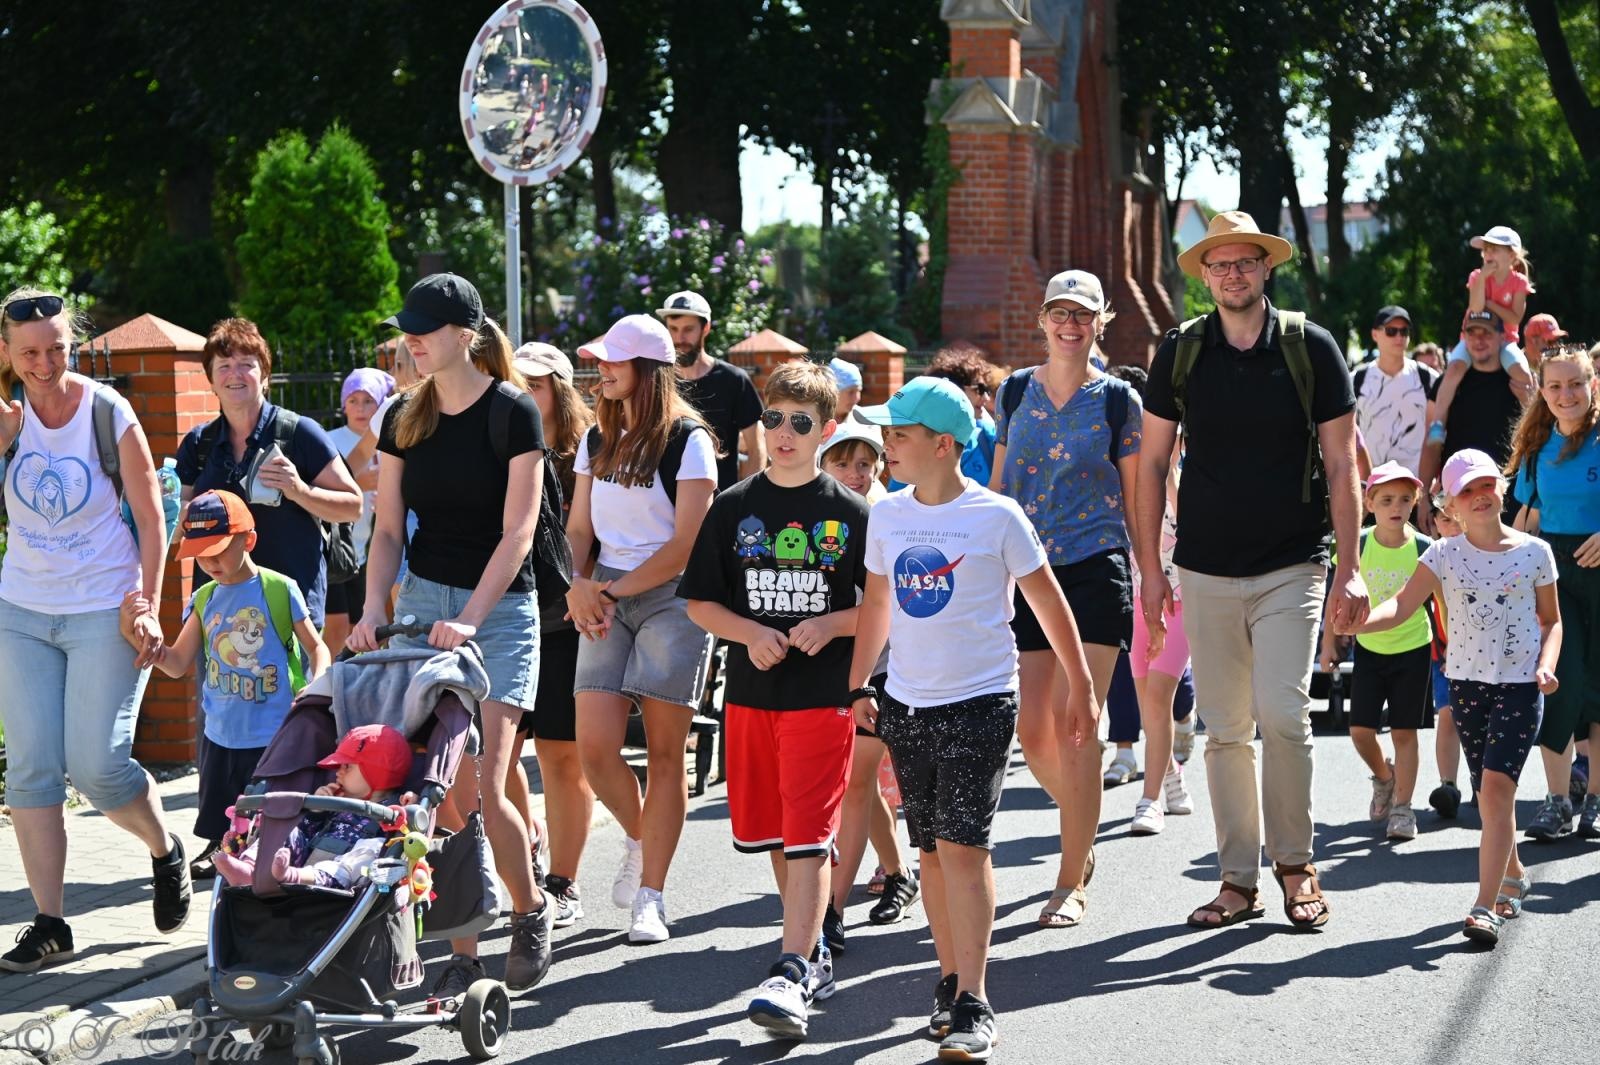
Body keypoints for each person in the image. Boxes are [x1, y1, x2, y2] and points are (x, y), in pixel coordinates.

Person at [850, 376, 1095, 1061]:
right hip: (905, 703)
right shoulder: (889, 516)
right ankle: (950, 975)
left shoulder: (997, 516)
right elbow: (876, 606)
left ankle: (975, 998)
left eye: (898, 434)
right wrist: (857, 685)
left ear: (943, 443)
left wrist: (1081, 685)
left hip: (982, 703)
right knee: (929, 850)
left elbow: (1050, 604)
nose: (886, 444)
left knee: (964, 847)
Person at [1139, 210, 1365, 931]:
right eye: (1220, 264)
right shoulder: (1180, 351)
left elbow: (1341, 464)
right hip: (1202, 567)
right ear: (1205, 275)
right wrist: (1150, 567)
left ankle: (1297, 866)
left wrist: (1352, 569)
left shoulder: (1311, 347)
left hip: (1292, 562)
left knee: (1284, 714)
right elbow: (1148, 463)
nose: (1233, 274)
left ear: (1268, 268)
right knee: (1225, 727)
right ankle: (1237, 878)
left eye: (1246, 262)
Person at [348, 272, 554, 994]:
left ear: (465, 334)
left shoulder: (513, 412)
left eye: (425, 327)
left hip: (497, 614)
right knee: (444, 787)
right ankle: (465, 948)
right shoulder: (403, 414)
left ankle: (528, 910)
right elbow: (385, 529)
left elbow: (520, 530)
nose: (412, 337)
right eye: (408, 326)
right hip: (424, 602)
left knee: (485, 778)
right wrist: (375, 605)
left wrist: (470, 617)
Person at [0, 287, 192, 973]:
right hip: (22, 608)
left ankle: (163, 848)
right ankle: (50, 922)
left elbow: (151, 511)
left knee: (98, 765)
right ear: (7, 353)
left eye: (57, 348)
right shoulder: (7, 419)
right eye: (30, 353)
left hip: (105, 605)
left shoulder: (108, 411)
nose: (46, 363)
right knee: (29, 768)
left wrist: (146, 599)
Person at [680, 361, 870, 1040]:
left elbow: (883, 607)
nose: (783, 434)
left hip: (823, 696)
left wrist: (834, 623)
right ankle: (811, 943)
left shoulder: (850, 512)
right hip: (752, 696)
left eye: (800, 422)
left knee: (810, 834)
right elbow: (701, 600)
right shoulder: (732, 507)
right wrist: (751, 631)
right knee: (775, 832)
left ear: (827, 429)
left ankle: (793, 965)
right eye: (772, 419)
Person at [1344, 449, 1560, 947]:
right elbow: (1401, 605)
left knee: (1498, 791)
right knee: (1488, 796)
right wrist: (1360, 620)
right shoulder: (1441, 555)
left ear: (1501, 490)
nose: (1479, 495)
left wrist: (1546, 663)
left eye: (1486, 484)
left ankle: (1485, 904)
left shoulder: (1535, 552)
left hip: (1521, 687)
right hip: (1465, 686)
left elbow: (1552, 621)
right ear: (1450, 506)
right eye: (1467, 490)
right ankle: (1513, 873)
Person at [988, 269, 1142, 929]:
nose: (1070, 324)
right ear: (1044, 318)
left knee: (1078, 724)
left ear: (1100, 320)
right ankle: (1082, 819)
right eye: (1059, 312)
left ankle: (1069, 877)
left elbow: (1136, 497)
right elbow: (996, 487)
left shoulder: (1118, 401)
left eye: (1081, 314)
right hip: (1025, 571)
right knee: (1034, 730)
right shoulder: (1015, 390)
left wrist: (1156, 581)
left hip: (1093, 567)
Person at [566, 313, 718, 945]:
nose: (600, 372)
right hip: (603, 594)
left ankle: (651, 895)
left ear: (647, 371)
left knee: (663, 755)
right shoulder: (595, 439)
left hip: (671, 601)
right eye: (599, 362)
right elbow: (578, 528)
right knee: (595, 751)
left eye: (613, 363)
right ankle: (638, 837)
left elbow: (686, 545)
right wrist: (579, 583)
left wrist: (604, 589)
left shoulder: (690, 440)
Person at [122, 490, 329, 861]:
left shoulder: (280, 589)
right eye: (200, 553)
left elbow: (317, 647)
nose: (209, 561)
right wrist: (140, 640)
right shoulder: (204, 598)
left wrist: (318, 683)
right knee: (222, 822)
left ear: (248, 539)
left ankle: (270, 865)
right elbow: (176, 663)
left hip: (272, 733)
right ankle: (225, 861)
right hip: (219, 735)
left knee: (272, 820)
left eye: (218, 549)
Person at [175, 318, 362, 630]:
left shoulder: (299, 433)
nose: (234, 374)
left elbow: (353, 505)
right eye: (223, 366)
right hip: (218, 613)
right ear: (210, 379)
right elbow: (173, 525)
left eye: (246, 364)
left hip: (289, 614)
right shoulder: (199, 443)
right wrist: (183, 515)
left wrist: (299, 490)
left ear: (264, 376)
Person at [507, 341, 596, 925]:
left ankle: (564, 881)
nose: (524, 394)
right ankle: (527, 836)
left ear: (561, 392)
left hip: (566, 623)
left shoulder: (585, 454)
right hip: (506, 617)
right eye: (518, 383)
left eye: (536, 384)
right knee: (496, 755)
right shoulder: (496, 442)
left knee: (562, 757)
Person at [1504, 347, 1600, 840]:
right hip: (1554, 572)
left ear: (1593, 385)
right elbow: (1527, 519)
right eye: (1556, 387)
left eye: (1576, 384)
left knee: (1599, 688)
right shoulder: (1538, 448)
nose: (1567, 395)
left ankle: (1597, 801)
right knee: (1556, 681)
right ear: (1542, 392)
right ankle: (1558, 801)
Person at [1319, 463, 1433, 841]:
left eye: (1404, 499)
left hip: (1413, 650)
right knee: (1360, 731)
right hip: (1369, 650)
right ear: (1369, 502)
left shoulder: (1423, 548)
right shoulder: (1358, 545)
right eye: (1385, 500)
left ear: (1415, 501)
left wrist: (1452, 646)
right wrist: (1329, 642)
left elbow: (1443, 602)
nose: (1395, 507)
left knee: (1405, 732)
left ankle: (1403, 808)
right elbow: (1333, 598)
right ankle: (1385, 778)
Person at [213, 724, 410, 890]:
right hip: (304, 858)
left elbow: (410, 819)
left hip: (340, 874)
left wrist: (411, 801)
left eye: (347, 767)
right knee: (283, 828)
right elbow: (308, 832)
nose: (338, 773)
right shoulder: (337, 800)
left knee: (369, 852)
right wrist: (317, 810)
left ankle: (291, 876)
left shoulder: (394, 805)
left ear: (377, 773)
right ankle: (250, 870)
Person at [1420, 311, 1528, 516]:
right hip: (1459, 497)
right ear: (1464, 337)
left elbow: (1539, 436)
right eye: (1472, 333)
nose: (1479, 340)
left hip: (1509, 495)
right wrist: (1424, 496)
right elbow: (1432, 442)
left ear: (1502, 337)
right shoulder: (1449, 384)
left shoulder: (1518, 384)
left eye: (1486, 333)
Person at [657, 289, 764, 489]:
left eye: (688, 329)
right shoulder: (657, 381)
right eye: (673, 328)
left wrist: (746, 499)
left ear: (705, 328)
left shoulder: (734, 380)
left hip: (721, 505)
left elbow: (757, 448)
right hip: (664, 506)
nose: (679, 338)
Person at [1432, 225, 1536, 431]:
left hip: (1506, 340)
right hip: (1470, 340)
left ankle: (1534, 424)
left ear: (1511, 255)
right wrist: (1481, 280)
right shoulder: (1476, 277)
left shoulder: (1519, 283)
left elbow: (1515, 318)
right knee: (1453, 370)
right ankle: (1437, 424)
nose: (1488, 253)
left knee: (1522, 373)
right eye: (1486, 249)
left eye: (1494, 249)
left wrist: (1490, 303)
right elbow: (1477, 307)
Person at [324, 367, 396, 654]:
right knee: (337, 625)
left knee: (364, 628)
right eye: (353, 400)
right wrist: (357, 482)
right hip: (336, 547)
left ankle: (358, 686)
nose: (361, 408)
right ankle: (324, 687)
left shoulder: (390, 440)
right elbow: (322, 485)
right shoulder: (330, 439)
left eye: (369, 401)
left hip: (370, 547)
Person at [1354, 305, 1439, 474]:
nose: (1399, 337)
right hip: (1372, 490)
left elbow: (1440, 430)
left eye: (1404, 331)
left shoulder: (1428, 378)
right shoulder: (1356, 380)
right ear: (1375, 334)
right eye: (1391, 331)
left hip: (1417, 485)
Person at [1424, 500, 1467, 818]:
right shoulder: (1432, 556)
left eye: (1456, 519)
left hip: (1483, 654)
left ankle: (1486, 782)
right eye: (1444, 519)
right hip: (1444, 653)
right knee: (1447, 716)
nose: (1450, 526)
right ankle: (1448, 785)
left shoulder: (1486, 552)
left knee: (1485, 724)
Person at [925, 345, 998, 487]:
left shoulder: (989, 437)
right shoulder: (918, 441)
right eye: (980, 389)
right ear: (953, 390)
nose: (986, 398)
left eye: (987, 390)